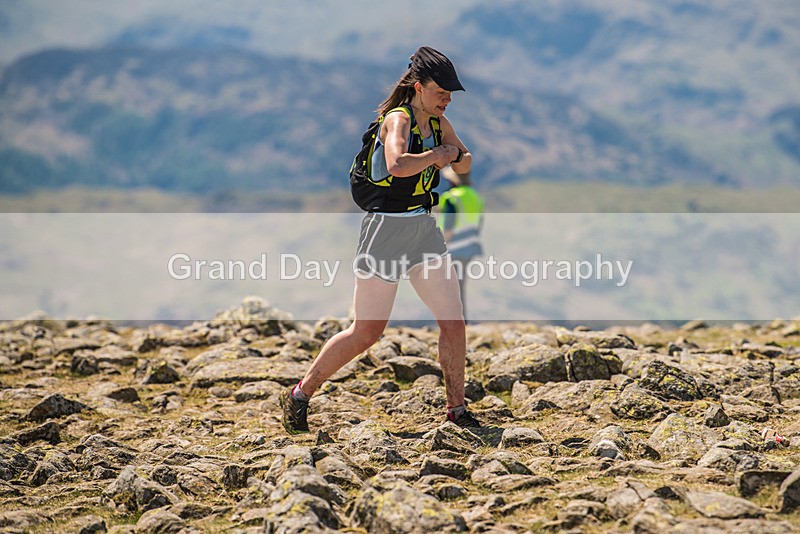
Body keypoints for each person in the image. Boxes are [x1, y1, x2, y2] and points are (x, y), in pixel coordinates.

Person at [280, 46, 480, 433]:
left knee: (454, 323)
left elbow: (467, 161)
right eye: (442, 92)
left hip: (422, 228)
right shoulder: (398, 120)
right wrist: (439, 155)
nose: (447, 99)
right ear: (419, 87)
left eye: (451, 94)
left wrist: (454, 154)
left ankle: (457, 409)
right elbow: (397, 165)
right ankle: (300, 394)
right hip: (384, 232)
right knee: (367, 332)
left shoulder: (439, 122)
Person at [437, 168, 484, 321]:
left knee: (449, 286)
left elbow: (448, 226)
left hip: (453, 248)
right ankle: (462, 320)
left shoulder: (452, 198)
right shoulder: (475, 196)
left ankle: (454, 321)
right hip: (470, 247)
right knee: (459, 284)